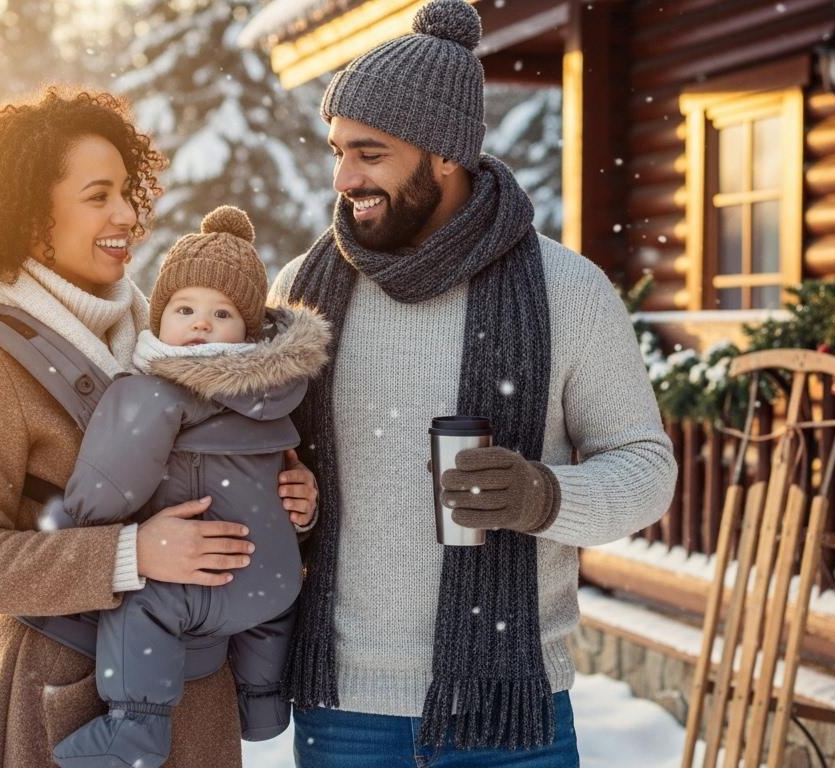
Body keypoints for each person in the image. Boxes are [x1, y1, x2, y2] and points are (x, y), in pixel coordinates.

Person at [268, 1, 678, 765]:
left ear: (445, 154)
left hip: (512, 710)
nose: (345, 178)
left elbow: (646, 469)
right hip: (345, 709)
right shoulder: (302, 290)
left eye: (370, 153)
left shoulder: (566, 290)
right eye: (338, 151)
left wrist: (542, 496)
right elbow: (253, 451)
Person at [0, 88, 318, 768]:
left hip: (200, 696)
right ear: (28, 215)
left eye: (127, 193)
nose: (127, 214)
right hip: (64, 697)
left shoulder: (169, 340)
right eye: (98, 195)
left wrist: (288, 496)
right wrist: (131, 555)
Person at [49, 206, 330, 768]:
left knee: (140, 603)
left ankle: (134, 728)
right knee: (264, 618)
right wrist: (304, 512)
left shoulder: (155, 391)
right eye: (185, 309)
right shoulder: (276, 396)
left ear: (248, 328)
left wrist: (78, 516)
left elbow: (110, 484)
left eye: (221, 313)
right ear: (161, 315)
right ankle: (262, 705)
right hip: (275, 580)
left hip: (201, 580)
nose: (201, 325)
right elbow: (282, 480)